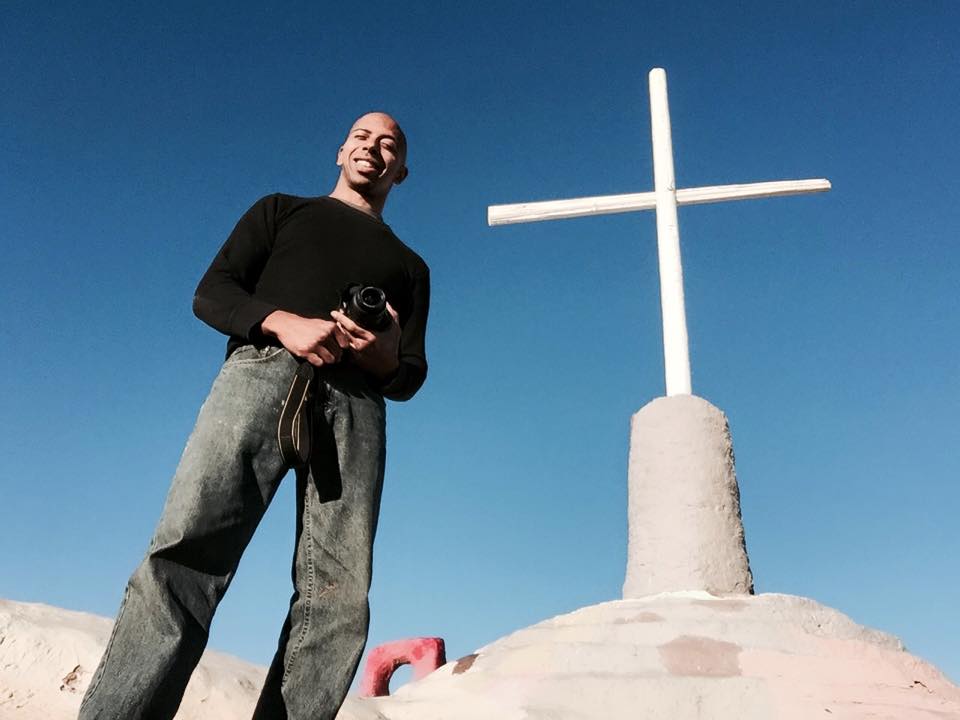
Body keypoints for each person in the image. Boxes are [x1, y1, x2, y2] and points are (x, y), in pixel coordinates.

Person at [79, 112, 430, 720]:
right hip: (260, 374)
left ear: (402, 171)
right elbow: (212, 291)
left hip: (356, 409)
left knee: (339, 599)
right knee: (188, 553)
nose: (374, 148)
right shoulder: (281, 210)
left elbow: (410, 374)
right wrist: (281, 322)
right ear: (341, 149)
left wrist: (381, 356)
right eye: (362, 137)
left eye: (389, 145)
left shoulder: (411, 266)